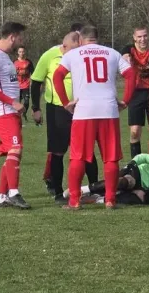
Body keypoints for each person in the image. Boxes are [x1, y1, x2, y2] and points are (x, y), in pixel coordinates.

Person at [53, 25, 136, 209]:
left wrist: (66, 102)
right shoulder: (112, 53)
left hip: (84, 111)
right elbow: (131, 74)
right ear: (97, 38)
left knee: (78, 157)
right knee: (111, 158)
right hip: (108, 110)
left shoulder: (73, 54)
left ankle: (74, 201)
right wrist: (126, 101)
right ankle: (110, 200)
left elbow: (57, 77)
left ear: (80, 39)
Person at [30, 24, 99, 203]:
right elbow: (36, 82)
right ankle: (58, 192)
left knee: (87, 151)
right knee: (58, 152)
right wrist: (35, 108)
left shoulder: (82, 55)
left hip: (82, 109)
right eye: (74, 50)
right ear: (65, 45)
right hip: (57, 111)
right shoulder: (50, 56)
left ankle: (96, 189)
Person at [0, 21, 30, 209]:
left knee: (14, 151)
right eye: (20, 37)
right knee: (16, 149)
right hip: (2, 112)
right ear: (12, 36)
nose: (21, 40)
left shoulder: (4, 56)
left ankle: (2, 196)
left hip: (10, 112)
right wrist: (13, 102)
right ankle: (14, 193)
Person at [64, 154, 149, 205]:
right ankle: (81, 190)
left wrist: (147, 197)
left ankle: (98, 199)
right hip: (139, 173)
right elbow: (144, 158)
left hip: (145, 189)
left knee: (140, 199)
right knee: (125, 181)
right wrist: (129, 165)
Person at [121, 27, 149, 158]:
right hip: (136, 94)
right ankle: (136, 164)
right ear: (134, 37)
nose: (143, 39)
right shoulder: (129, 50)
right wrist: (125, 56)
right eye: (139, 37)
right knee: (135, 132)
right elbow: (124, 53)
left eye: (145, 36)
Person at [13, 46, 34, 123]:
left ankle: (24, 114)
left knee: (26, 102)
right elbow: (11, 74)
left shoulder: (28, 62)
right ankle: (17, 116)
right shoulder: (14, 62)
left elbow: (33, 73)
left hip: (26, 85)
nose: (21, 53)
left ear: (25, 52)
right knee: (17, 103)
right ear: (18, 53)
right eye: (20, 52)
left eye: (23, 51)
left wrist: (33, 81)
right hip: (17, 86)